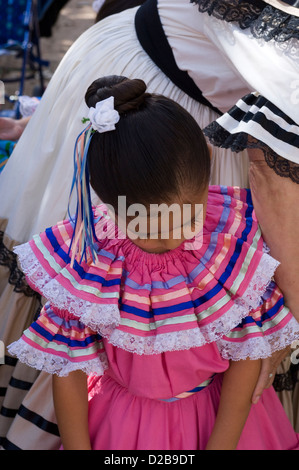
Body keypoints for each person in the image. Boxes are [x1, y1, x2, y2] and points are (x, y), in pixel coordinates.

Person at [0, 0, 297, 448]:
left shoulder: (230, 243)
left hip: (223, 424)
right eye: (150, 225)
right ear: (109, 205)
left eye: (188, 216)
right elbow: (70, 369)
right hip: (121, 429)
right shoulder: (86, 264)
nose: (173, 237)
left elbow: (245, 351)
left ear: (210, 176)